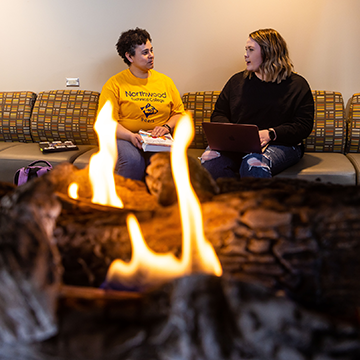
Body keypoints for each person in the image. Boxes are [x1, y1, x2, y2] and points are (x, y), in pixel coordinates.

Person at [201, 28, 314, 180]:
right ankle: (226, 203)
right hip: (238, 145)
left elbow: (303, 125)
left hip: (281, 144)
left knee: (253, 163)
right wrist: (232, 133)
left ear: (269, 52)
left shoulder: (297, 85)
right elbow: (219, 114)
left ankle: (256, 204)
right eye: (246, 49)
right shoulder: (236, 81)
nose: (245, 54)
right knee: (211, 163)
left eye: (251, 49)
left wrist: (270, 134)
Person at [97, 28, 185, 181]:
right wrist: (131, 136)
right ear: (129, 56)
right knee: (133, 161)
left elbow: (179, 113)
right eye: (145, 53)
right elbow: (107, 123)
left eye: (151, 50)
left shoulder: (165, 82)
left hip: (157, 138)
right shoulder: (114, 84)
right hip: (125, 137)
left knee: (164, 164)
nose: (151, 56)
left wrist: (166, 128)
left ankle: (156, 203)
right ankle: (128, 202)